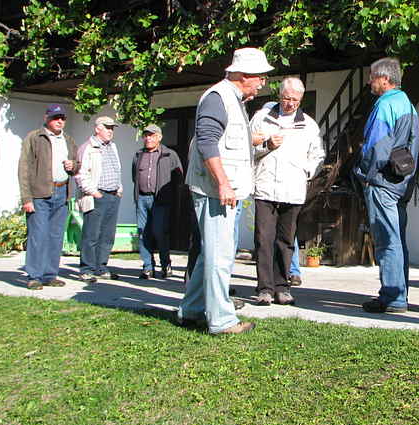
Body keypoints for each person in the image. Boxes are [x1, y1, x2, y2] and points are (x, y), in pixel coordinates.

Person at [178, 47, 273, 335]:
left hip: (224, 190)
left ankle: (191, 310)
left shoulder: (232, 100)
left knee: (212, 253)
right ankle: (221, 321)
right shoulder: (217, 98)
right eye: (260, 77)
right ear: (244, 76)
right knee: (219, 257)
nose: (263, 83)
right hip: (215, 191)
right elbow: (207, 143)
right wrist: (223, 183)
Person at [250, 77, 325, 305]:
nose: (290, 103)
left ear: (301, 99)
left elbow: (318, 155)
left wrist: (306, 172)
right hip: (265, 188)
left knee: (285, 241)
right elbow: (245, 148)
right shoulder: (262, 118)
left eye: (295, 100)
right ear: (279, 96)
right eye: (286, 98)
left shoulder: (309, 125)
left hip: (293, 191)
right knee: (264, 240)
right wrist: (267, 146)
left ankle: (282, 287)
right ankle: (264, 289)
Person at [354, 57, 419, 314]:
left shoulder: (385, 105)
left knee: (386, 240)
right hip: (402, 181)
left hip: (382, 181)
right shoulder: (408, 104)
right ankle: (399, 292)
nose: (369, 82)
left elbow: (375, 147)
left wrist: (363, 173)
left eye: (372, 77)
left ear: (384, 79)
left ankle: (393, 297)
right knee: (398, 240)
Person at [18, 104, 78, 289]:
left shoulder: (68, 140)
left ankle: (50, 275)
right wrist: (26, 198)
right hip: (40, 194)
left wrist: (73, 166)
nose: (59, 121)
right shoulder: (34, 138)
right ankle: (34, 276)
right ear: (46, 118)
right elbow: (24, 169)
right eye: (55, 117)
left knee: (55, 236)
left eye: (62, 118)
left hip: (61, 192)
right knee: (38, 235)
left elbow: (77, 165)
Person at [76, 116, 124, 283]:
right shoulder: (88, 147)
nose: (110, 131)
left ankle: (101, 267)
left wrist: (119, 189)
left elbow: (116, 169)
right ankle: (86, 269)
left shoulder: (113, 146)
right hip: (97, 196)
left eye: (112, 128)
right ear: (97, 128)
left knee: (107, 235)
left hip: (113, 195)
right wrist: (94, 192)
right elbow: (80, 174)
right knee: (91, 235)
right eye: (107, 127)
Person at [132, 123, 183, 280]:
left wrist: (171, 197)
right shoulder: (138, 155)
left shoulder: (169, 154)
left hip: (160, 200)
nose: (148, 138)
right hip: (142, 198)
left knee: (160, 232)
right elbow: (134, 176)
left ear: (159, 137)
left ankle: (165, 264)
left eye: (152, 135)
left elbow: (178, 178)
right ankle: (148, 267)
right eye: (146, 135)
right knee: (143, 232)